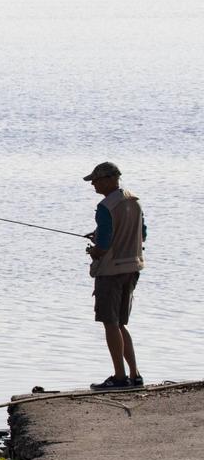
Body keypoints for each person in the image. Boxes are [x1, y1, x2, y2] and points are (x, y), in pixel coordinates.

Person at [84, 162, 146, 391]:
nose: (93, 184)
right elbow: (143, 233)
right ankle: (134, 375)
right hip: (132, 268)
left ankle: (119, 378)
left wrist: (94, 249)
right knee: (121, 323)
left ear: (110, 179)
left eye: (96, 180)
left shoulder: (105, 207)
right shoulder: (134, 201)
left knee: (110, 324)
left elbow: (103, 246)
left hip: (111, 271)